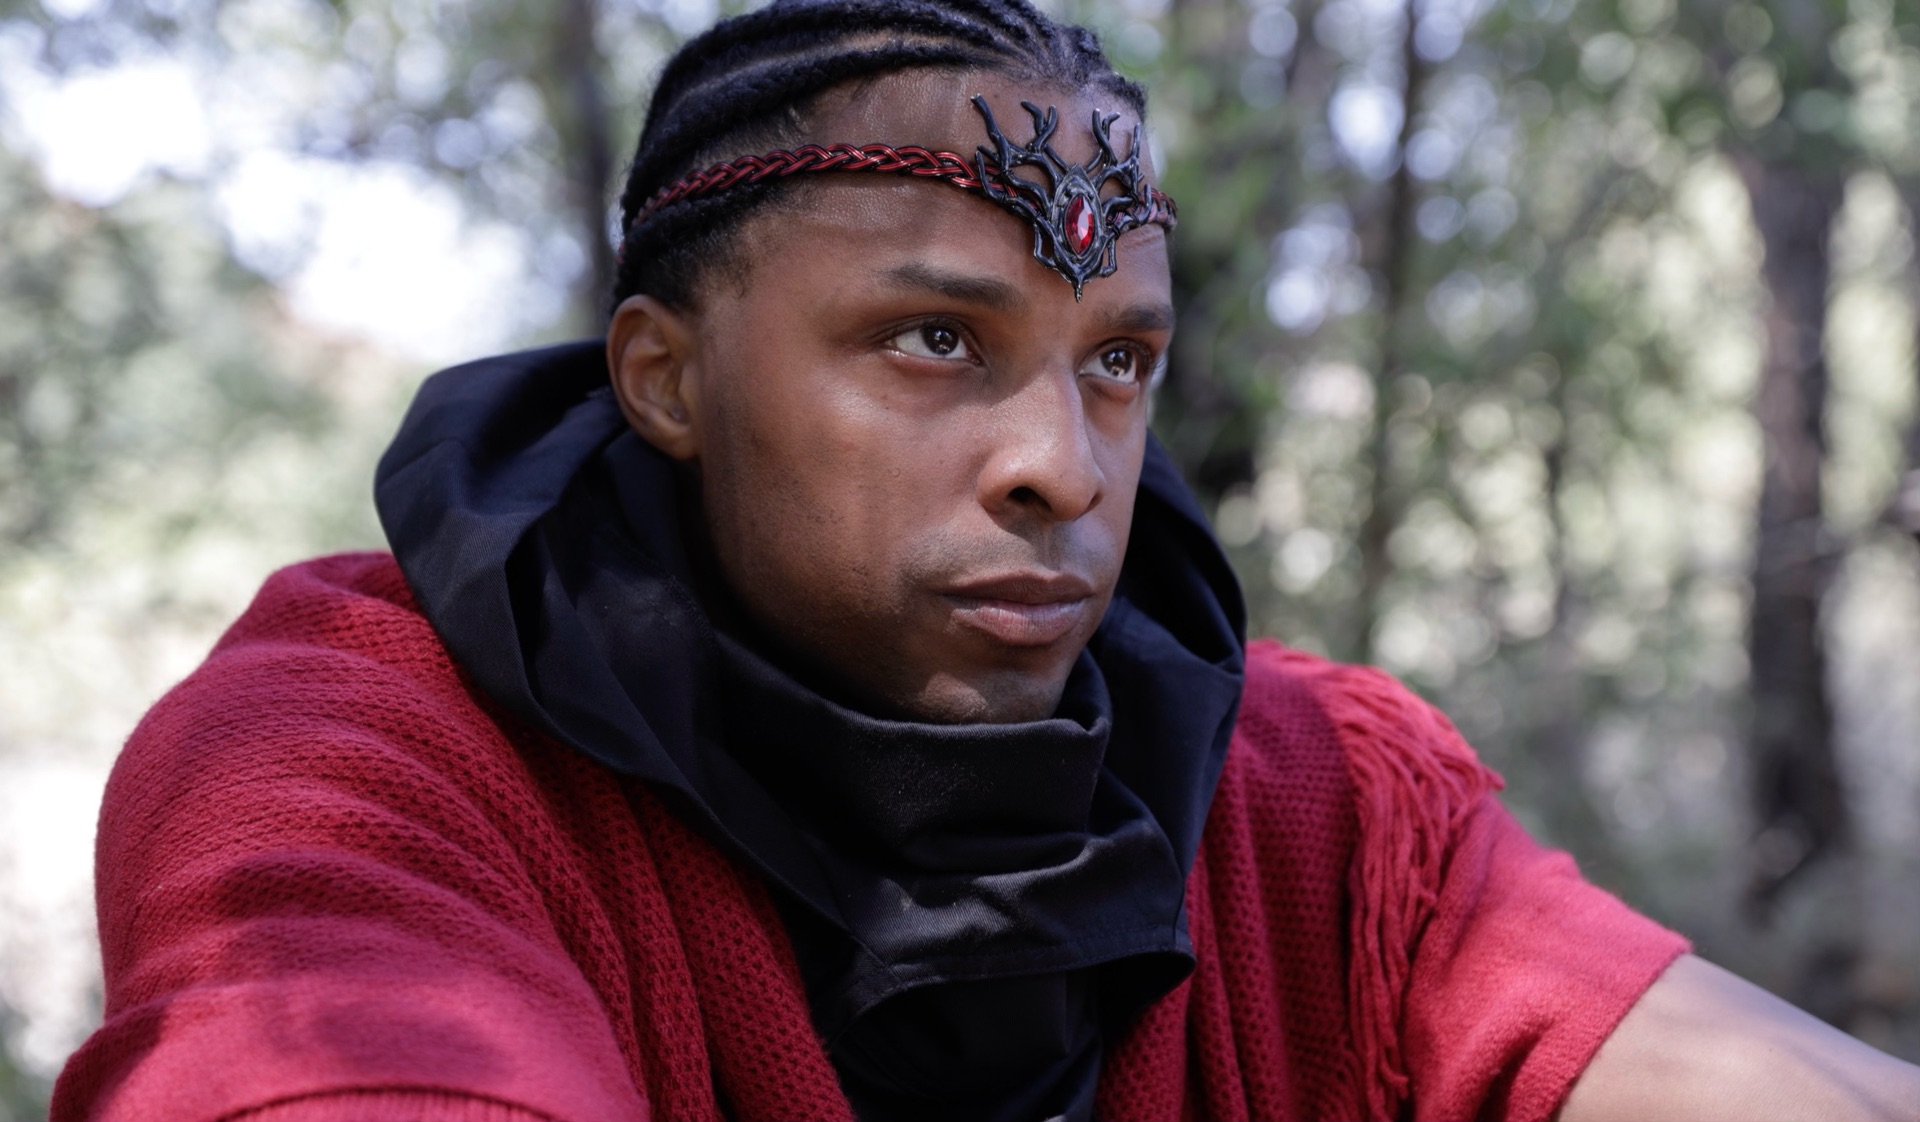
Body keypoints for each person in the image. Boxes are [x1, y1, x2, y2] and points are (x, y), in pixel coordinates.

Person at [50, 2, 1920, 1119]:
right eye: (933, 339)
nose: (1064, 468)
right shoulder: (352, 763)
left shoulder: (1318, 802)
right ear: (666, 376)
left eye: (1119, 360)